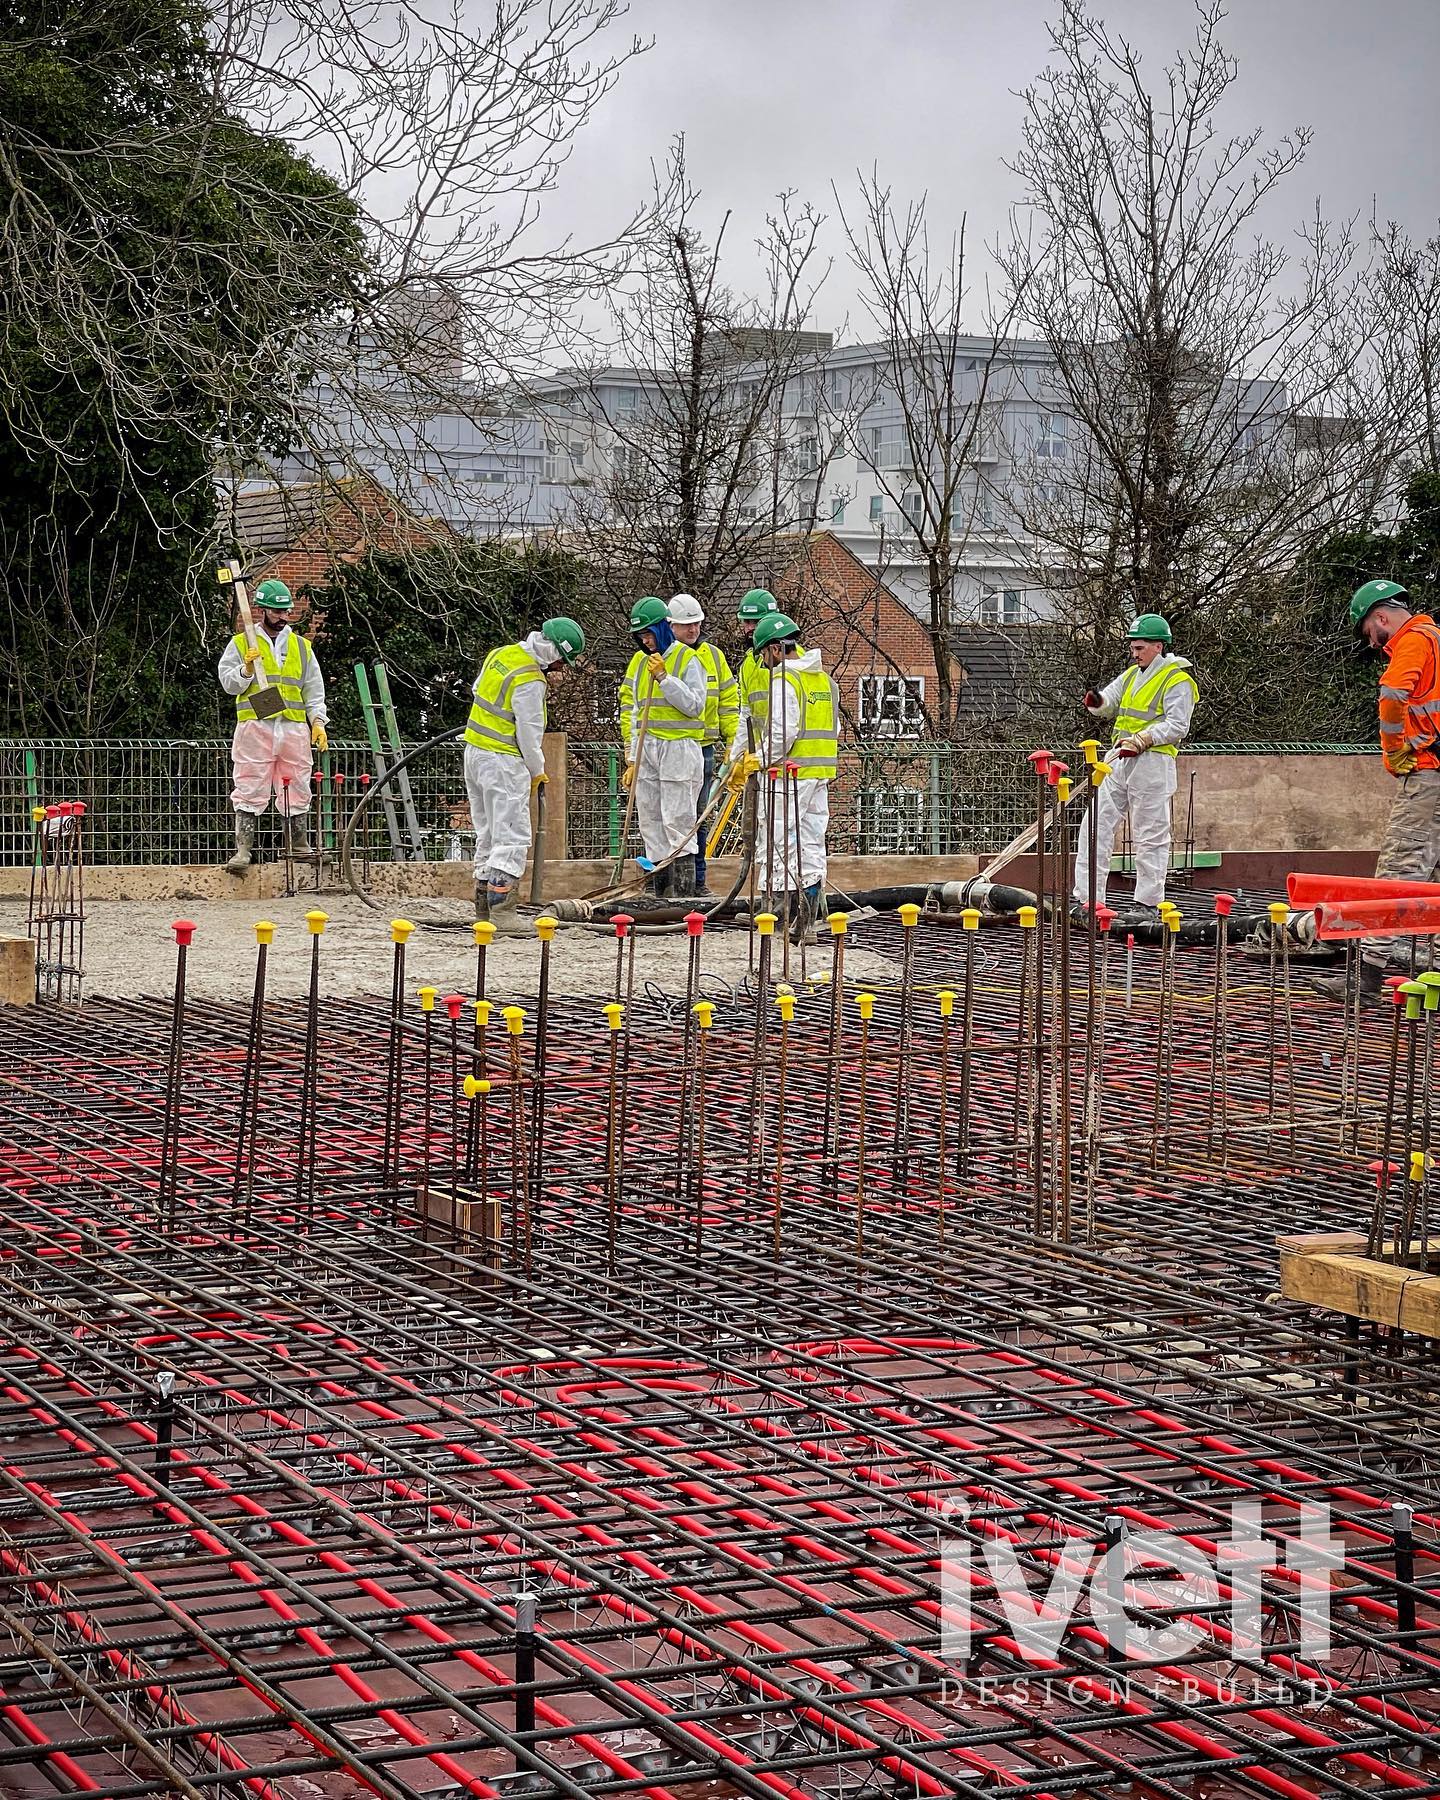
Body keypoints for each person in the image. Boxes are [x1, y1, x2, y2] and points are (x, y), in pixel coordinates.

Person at [1311, 580, 1440, 1005]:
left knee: (1396, 876)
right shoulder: (1437, 638)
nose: (1373, 640)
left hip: (1428, 778)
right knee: (1432, 879)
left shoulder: (1413, 640)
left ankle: (1365, 979)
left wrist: (1395, 748)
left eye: (1369, 631)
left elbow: (1392, 695)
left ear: (1381, 617)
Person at [1070, 613, 1198, 921]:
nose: (1134, 652)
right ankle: (1088, 901)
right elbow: (1109, 703)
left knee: (1150, 834)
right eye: (1133, 646)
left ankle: (1147, 904)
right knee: (1094, 826)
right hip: (1119, 760)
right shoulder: (1131, 675)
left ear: (1158, 646)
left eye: (1140, 647)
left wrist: (1143, 739)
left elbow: (1178, 725)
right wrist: (1096, 701)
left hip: (1152, 762)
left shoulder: (1177, 679)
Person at [463, 617, 586, 932]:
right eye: (560, 661)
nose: (559, 668)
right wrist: (538, 771)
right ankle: (503, 913)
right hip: (504, 762)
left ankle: (483, 909)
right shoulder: (531, 679)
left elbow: (479, 691)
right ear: (552, 651)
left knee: (488, 833)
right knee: (512, 836)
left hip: (475, 754)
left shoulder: (502, 655)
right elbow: (529, 735)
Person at [219, 579, 328, 873]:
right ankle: (243, 851)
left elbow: (313, 690)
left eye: (286, 612)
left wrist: (317, 722)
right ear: (262, 610)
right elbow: (229, 684)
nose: (283, 617)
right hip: (256, 725)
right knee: (249, 783)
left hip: (292, 727)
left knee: (298, 784)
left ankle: (298, 845)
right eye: (277, 612)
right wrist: (246, 670)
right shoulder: (242, 643)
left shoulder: (301, 647)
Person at [751, 610, 838, 941]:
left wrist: (757, 761)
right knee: (811, 843)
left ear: (775, 649)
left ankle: (782, 914)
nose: (764, 662)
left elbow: (781, 734)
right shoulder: (823, 680)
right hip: (819, 774)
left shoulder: (785, 681)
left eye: (764, 654)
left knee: (779, 840)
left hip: (790, 775)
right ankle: (808, 916)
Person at [619, 596, 707, 898]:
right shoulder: (641, 662)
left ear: (663, 629)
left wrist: (665, 679)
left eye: (649, 634)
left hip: (679, 750)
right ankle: (660, 890)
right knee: (651, 820)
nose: (645, 640)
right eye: (640, 636)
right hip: (649, 750)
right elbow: (634, 712)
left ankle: (682, 892)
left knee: (677, 820)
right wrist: (632, 758)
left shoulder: (686, 659)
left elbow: (695, 705)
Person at [667, 594, 737, 896]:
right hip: (672, 748)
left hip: (703, 748)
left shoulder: (713, 656)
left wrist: (735, 741)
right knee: (670, 819)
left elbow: (728, 701)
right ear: (671, 626)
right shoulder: (665, 658)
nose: (692, 630)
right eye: (686, 625)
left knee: (699, 818)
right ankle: (668, 883)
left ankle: (697, 882)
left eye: (696, 624)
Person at [734, 588, 782, 740]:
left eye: (755, 622)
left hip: (785, 752)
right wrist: (736, 753)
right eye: (746, 621)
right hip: (762, 753)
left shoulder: (789, 657)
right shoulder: (749, 663)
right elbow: (746, 715)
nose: (749, 628)